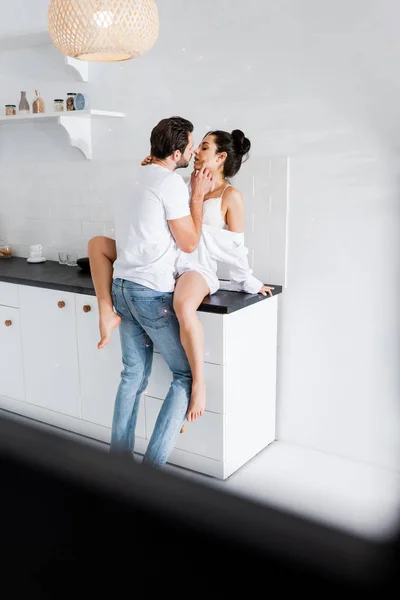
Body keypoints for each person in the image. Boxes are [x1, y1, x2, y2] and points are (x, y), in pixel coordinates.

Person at [89, 127, 274, 431]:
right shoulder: (181, 183)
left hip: (197, 270)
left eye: (203, 147)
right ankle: (108, 313)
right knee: (98, 244)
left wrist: (249, 282)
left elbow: (235, 249)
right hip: (167, 267)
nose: (196, 152)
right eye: (195, 146)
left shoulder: (230, 196)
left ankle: (197, 385)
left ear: (221, 157)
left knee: (182, 306)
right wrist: (156, 166)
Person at [88, 116, 213, 468]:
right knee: (186, 376)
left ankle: (119, 467)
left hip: (122, 289)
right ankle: (151, 473)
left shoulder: (130, 178)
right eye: (190, 147)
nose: (192, 152)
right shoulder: (170, 184)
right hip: (150, 295)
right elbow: (188, 243)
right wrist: (198, 196)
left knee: (132, 376)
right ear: (176, 153)